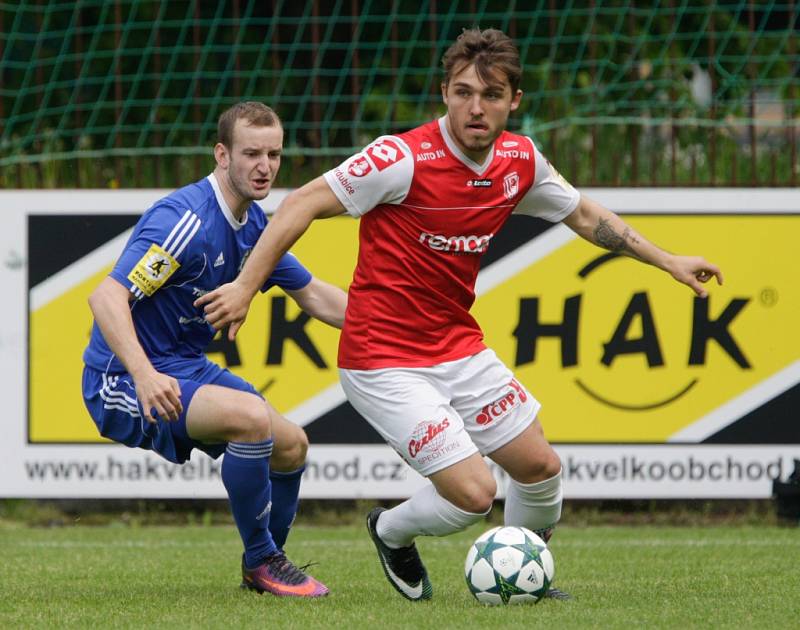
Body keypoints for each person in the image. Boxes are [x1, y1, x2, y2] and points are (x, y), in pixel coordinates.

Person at [194, 30, 723, 602]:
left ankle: (525, 580)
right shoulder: (399, 159)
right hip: (382, 358)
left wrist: (667, 260)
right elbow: (299, 203)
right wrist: (247, 286)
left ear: (513, 100)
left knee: (540, 468)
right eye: (463, 92)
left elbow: (585, 214)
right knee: (474, 494)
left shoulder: (520, 161)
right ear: (444, 92)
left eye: (492, 95)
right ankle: (390, 530)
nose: (476, 107)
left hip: (457, 346)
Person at [82, 101, 347, 598]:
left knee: (292, 445)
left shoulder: (253, 229)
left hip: (183, 366)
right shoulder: (186, 223)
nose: (264, 166)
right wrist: (142, 375)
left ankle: (266, 563)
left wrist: (400, 328)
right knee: (251, 418)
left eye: (274, 154)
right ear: (222, 155)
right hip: (118, 380)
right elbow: (107, 297)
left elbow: (314, 295)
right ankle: (263, 560)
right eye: (251, 154)